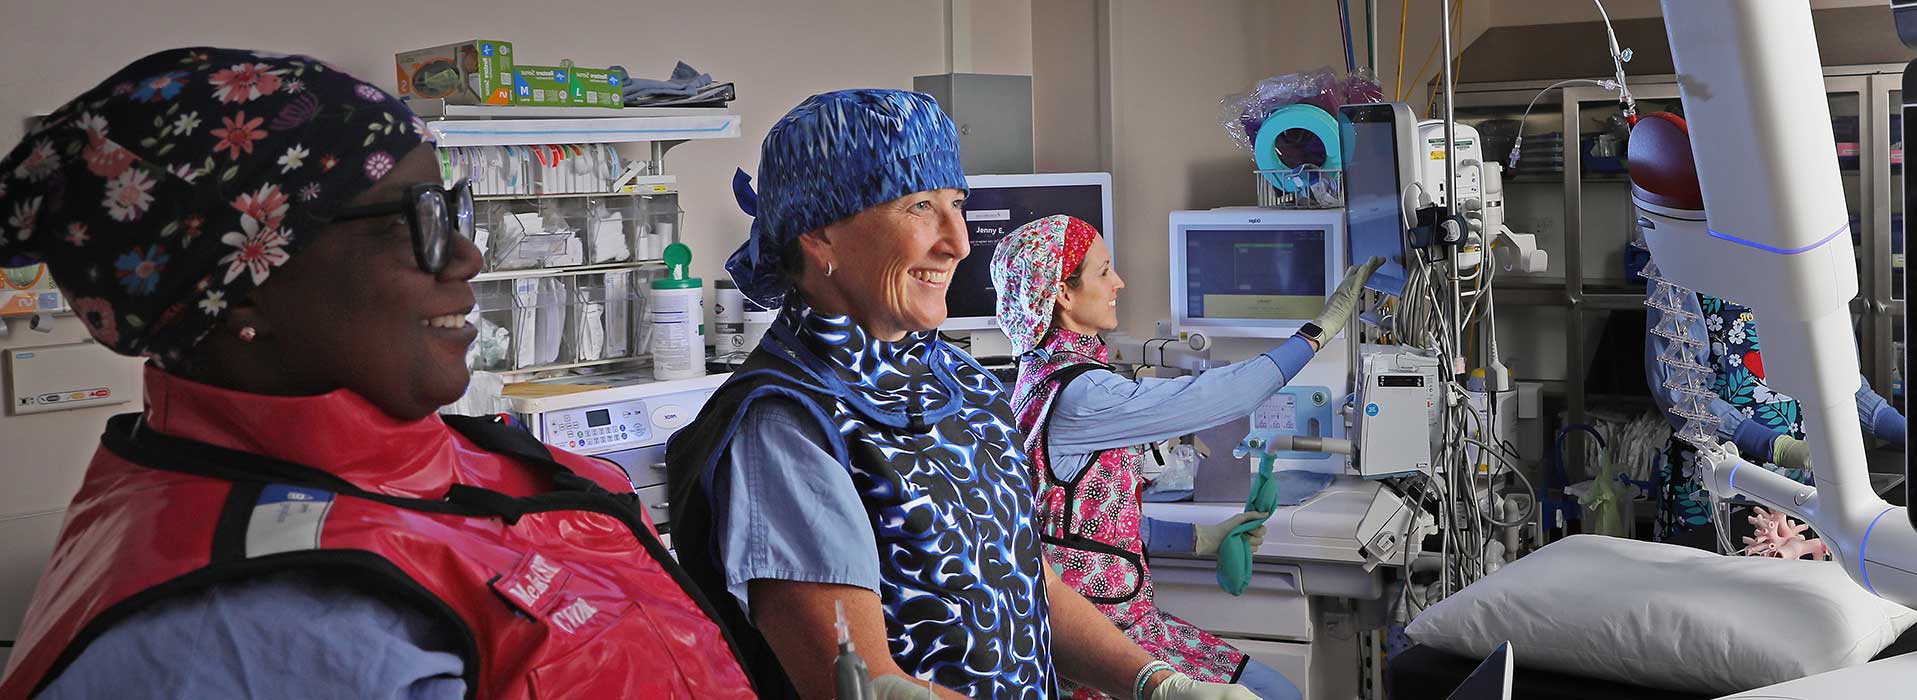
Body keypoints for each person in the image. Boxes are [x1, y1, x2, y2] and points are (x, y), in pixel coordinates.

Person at [0, 48, 760, 698]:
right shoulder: (251, 632)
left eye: (452, 210)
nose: (467, 256)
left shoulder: (455, 465)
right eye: (415, 221)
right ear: (240, 287)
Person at [662, 90, 1261, 700]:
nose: (958, 241)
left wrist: (1154, 682)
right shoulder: (787, 426)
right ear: (821, 236)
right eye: (920, 206)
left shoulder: (963, 381)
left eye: (956, 204)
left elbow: (1027, 581)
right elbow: (859, 686)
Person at [989, 215, 1377, 700]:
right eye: (1104, 271)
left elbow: (1082, 524)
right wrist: (1316, 334)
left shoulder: (1042, 375)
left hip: (1115, 621)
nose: (1119, 283)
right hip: (1100, 642)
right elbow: (1220, 398)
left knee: (1276, 691)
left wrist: (1199, 538)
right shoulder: (1082, 394)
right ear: (1063, 295)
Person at [1622, 111, 1908, 545]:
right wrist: (1772, 445)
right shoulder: (1682, 264)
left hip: (1803, 493)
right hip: (1715, 489)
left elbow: (1840, 378)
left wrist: (1898, 428)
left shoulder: (1807, 259)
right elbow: (1685, 396)